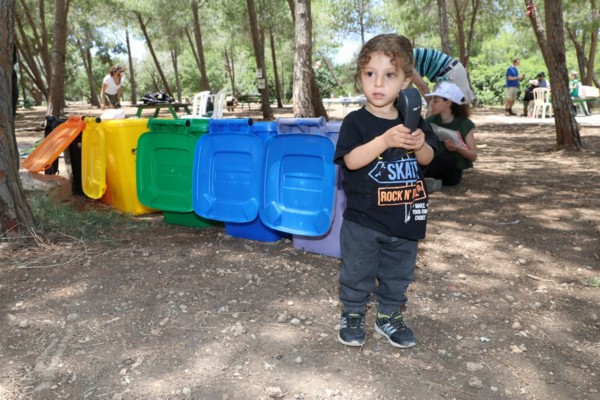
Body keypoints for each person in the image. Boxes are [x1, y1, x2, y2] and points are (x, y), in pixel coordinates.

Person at [333, 33, 437, 349]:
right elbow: (350, 161)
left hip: (405, 217)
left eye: (389, 75)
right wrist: (384, 141)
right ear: (360, 77)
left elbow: (429, 160)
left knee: (398, 273)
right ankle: (352, 313)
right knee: (357, 271)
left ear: (406, 81)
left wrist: (420, 144)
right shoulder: (356, 122)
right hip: (363, 220)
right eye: (370, 74)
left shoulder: (415, 120)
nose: (378, 83)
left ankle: (388, 316)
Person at [423, 82, 478, 186]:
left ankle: (430, 182)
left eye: (435, 101)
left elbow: (473, 155)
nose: (431, 104)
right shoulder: (430, 121)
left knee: (447, 156)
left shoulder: (464, 124)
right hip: (431, 166)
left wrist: (457, 149)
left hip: (451, 172)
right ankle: (429, 181)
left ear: (448, 102)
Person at [412, 48, 476, 104]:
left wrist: (430, 105)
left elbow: (422, 85)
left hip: (451, 73)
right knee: (438, 111)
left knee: (435, 110)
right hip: (448, 72)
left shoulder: (407, 61)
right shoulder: (407, 57)